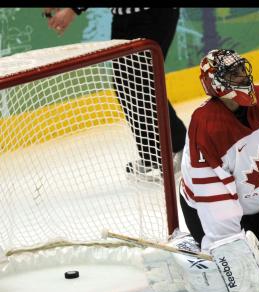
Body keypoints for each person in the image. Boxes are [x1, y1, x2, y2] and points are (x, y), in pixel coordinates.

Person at [141, 49, 259, 292]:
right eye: (232, 73)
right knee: (241, 286)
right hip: (208, 213)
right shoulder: (206, 126)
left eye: (241, 69)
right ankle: (189, 250)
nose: (241, 77)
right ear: (214, 83)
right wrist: (230, 250)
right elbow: (216, 203)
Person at [43, 7, 187, 176]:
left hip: (152, 14)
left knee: (143, 83)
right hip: (122, 18)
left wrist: (73, 9)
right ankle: (153, 154)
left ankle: (181, 148)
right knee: (124, 86)